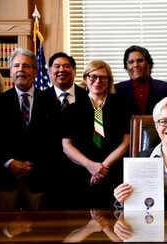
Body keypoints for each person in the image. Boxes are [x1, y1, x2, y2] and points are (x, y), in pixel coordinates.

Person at [0, 48, 62, 211]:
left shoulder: (52, 103)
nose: (20, 70)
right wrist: (9, 162)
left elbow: (55, 142)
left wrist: (31, 165)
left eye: (26, 66)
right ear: (11, 72)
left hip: (39, 179)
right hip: (5, 180)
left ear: (35, 71)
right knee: (5, 233)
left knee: (39, 233)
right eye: (16, 66)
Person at [62, 60, 130, 209]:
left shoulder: (121, 105)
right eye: (93, 76)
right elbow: (66, 145)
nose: (97, 81)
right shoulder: (73, 108)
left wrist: (103, 167)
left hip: (114, 173)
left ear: (109, 80)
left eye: (103, 77)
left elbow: (127, 141)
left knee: (114, 223)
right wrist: (91, 166)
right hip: (81, 174)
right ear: (86, 79)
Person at [44, 52, 89, 209]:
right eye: (56, 66)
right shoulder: (40, 99)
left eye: (66, 66)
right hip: (49, 173)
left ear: (74, 71)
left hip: (82, 171)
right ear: (49, 71)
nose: (61, 70)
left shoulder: (88, 98)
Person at [115, 45, 167, 115]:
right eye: (131, 62)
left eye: (140, 60)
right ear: (126, 67)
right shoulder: (116, 90)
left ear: (149, 63)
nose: (136, 65)